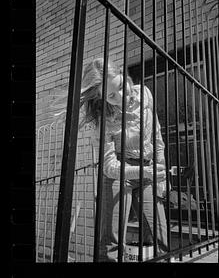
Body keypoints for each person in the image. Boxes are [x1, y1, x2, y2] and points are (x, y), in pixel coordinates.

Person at [52, 57, 168, 262]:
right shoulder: (102, 118)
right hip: (119, 173)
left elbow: (157, 137)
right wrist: (142, 172)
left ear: (124, 74)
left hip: (148, 168)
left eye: (122, 86)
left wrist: (161, 176)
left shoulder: (145, 94)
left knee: (159, 236)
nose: (121, 97)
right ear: (101, 98)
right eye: (112, 96)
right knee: (111, 242)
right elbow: (108, 166)